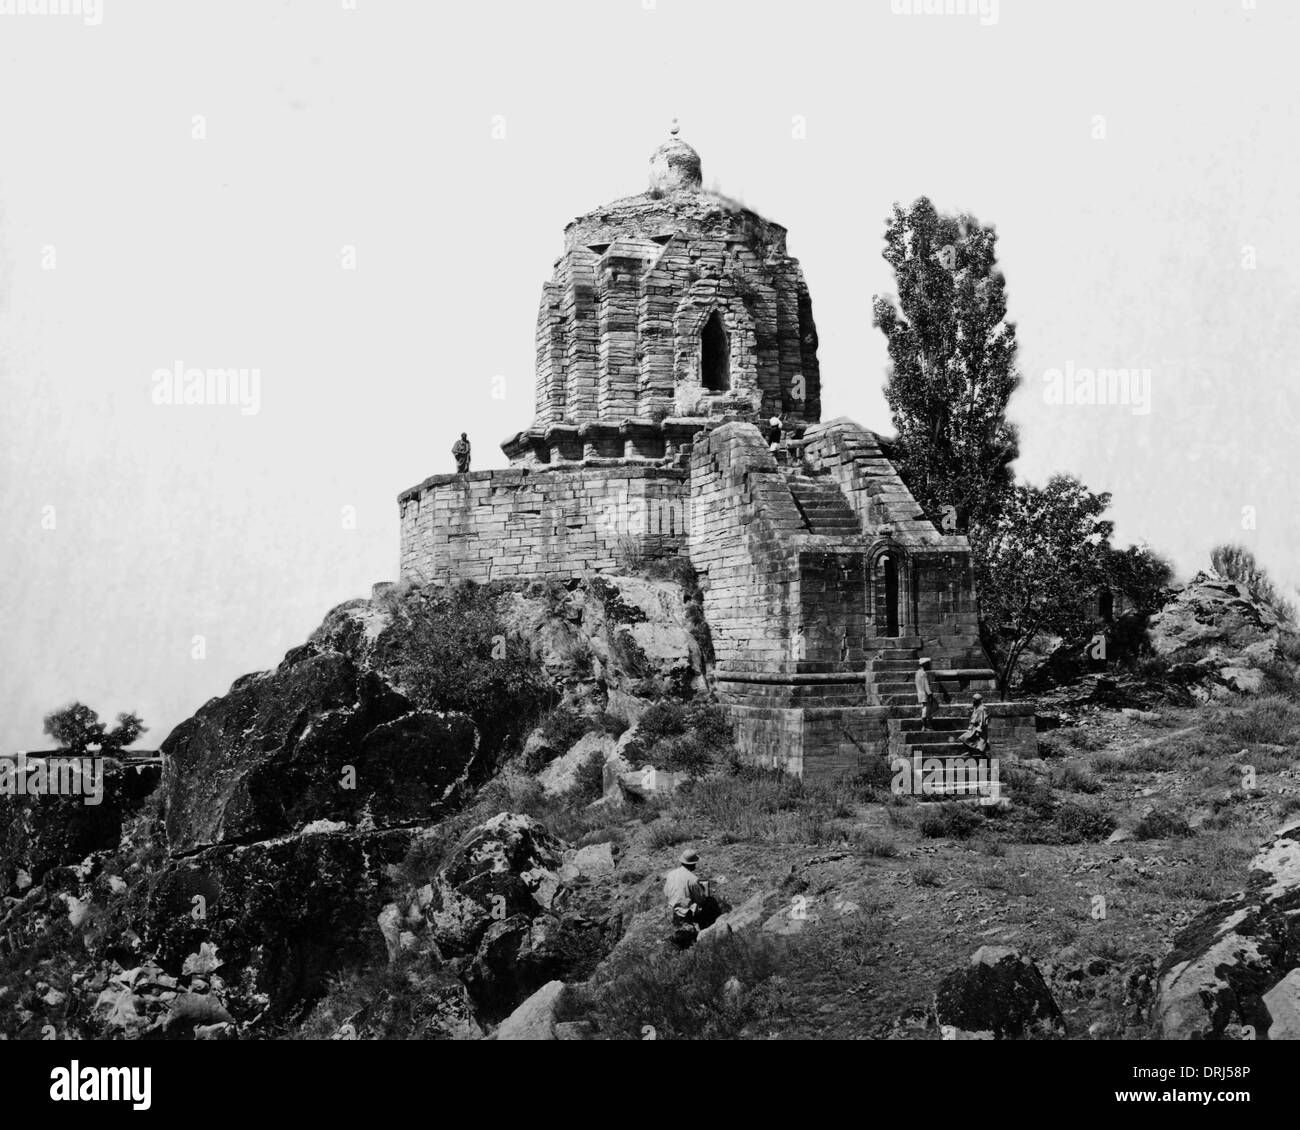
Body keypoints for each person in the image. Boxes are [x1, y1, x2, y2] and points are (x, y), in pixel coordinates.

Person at [663, 848, 719, 948]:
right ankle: (708, 929)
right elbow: (701, 899)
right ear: (692, 864)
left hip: (671, 908)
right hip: (684, 913)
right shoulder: (692, 879)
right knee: (710, 903)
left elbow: (666, 892)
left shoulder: (671, 874)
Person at [959, 692, 991, 756]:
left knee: (982, 745)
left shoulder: (981, 709)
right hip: (973, 728)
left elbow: (982, 720)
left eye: (974, 700)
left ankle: (983, 758)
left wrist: (979, 729)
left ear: (977, 701)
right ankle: (970, 752)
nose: (973, 701)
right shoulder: (976, 707)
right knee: (963, 738)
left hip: (979, 729)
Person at [915, 657, 937, 726]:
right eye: (928, 664)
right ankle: (925, 723)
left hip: (920, 692)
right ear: (925, 665)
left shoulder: (917, 673)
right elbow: (926, 685)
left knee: (924, 707)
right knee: (926, 708)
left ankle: (927, 722)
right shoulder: (924, 673)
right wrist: (930, 693)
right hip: (924, 693)